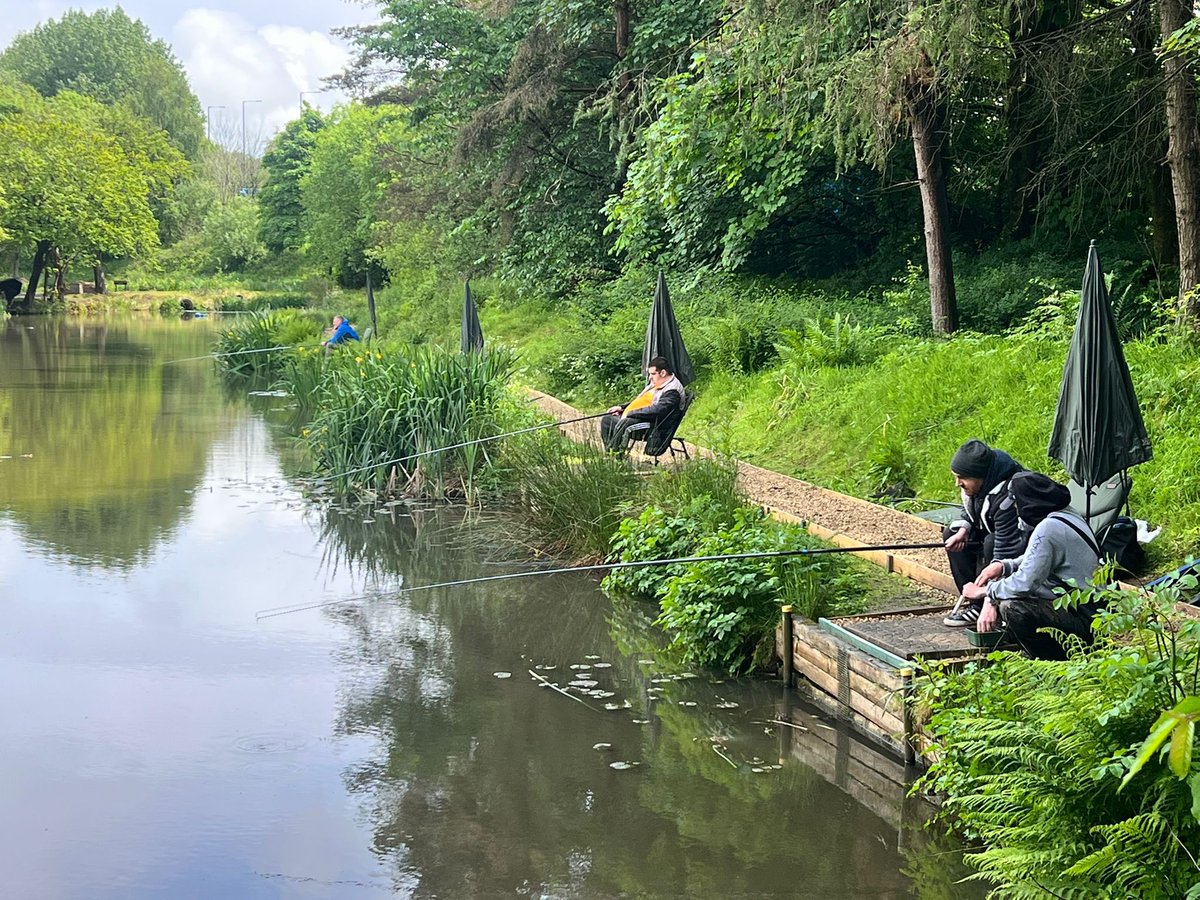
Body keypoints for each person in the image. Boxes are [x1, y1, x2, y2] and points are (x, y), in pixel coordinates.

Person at [962, 471, 1103, 660]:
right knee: (1012, 598)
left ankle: (1051, 660)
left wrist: (984, 592)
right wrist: (1005, 566)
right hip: (1095, 612)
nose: (1016, 510)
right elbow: (1037, 558)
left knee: (1012, 607)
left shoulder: (1048, 529)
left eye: (1017, 504)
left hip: (1085, 618)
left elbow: (1024, 583)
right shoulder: (1068, 514)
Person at [941, 439, 1026, 627]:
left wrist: (991, 600)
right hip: (995, 534)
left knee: (991, 542)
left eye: (962, 478)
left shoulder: (1008, 496)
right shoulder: (980, 484)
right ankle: (974, 603)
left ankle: (987, 604)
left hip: (1020, 546)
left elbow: (1006, 548)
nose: (957, 483)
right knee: (951, 533)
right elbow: (974, 508)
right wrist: (964, 528)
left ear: (981, 476)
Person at [599, 357, 685, 453]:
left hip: (654, 427)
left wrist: (631, 413)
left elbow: (657, 411)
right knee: (607, 419)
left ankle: (616, 456)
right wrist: (622, 408)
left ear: (663, 373)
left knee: (625, 423)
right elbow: (642, 400)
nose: (650, 377)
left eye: (652, 374)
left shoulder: (672, 391)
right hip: (642, 418)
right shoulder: (659, 382)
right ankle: (609, 452)